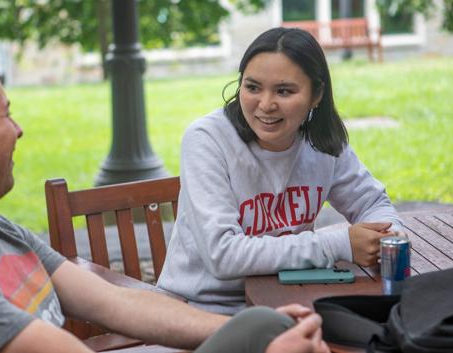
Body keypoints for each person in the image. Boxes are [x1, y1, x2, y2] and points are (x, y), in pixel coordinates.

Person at [0, 48, 329, 353]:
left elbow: (116, 304)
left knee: (267, 327)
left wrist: (246, 332)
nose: (18, 130)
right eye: (6, 114)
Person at [157, 27, 403, 315]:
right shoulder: (208, 139)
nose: (265, 104)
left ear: (317, 94)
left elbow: (373, 204)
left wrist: (384, 238)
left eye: (284, 91)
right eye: (252, 87)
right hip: (201, 310)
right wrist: (338, 244)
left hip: (290, 302)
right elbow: (222, 255)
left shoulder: (322, 143)